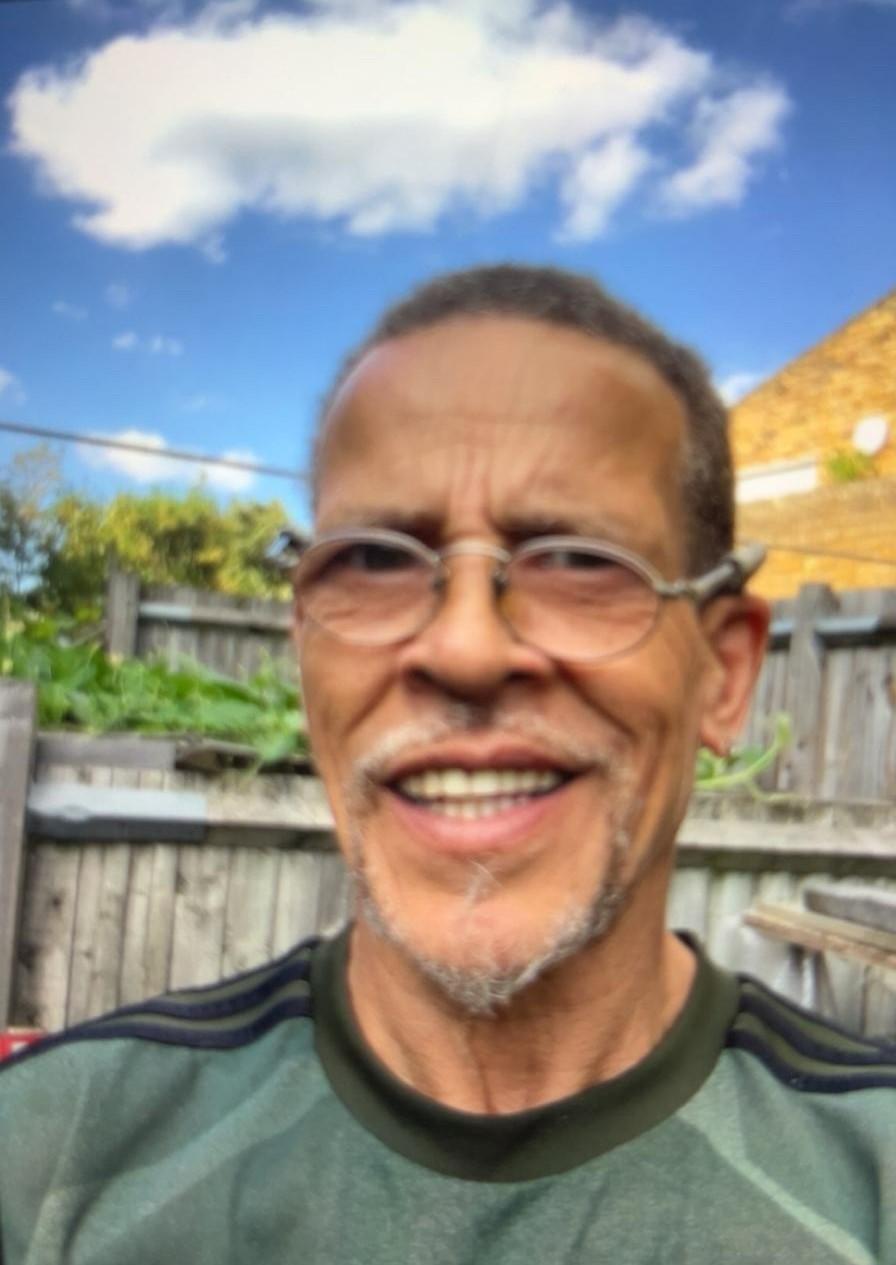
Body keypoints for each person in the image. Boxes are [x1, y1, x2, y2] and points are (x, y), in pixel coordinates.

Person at [2, 264, 894, 1264]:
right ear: (306, 654)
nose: (465, 649)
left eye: (579, 559)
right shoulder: (46, 1165)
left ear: (722, 674)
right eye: (375, 560)